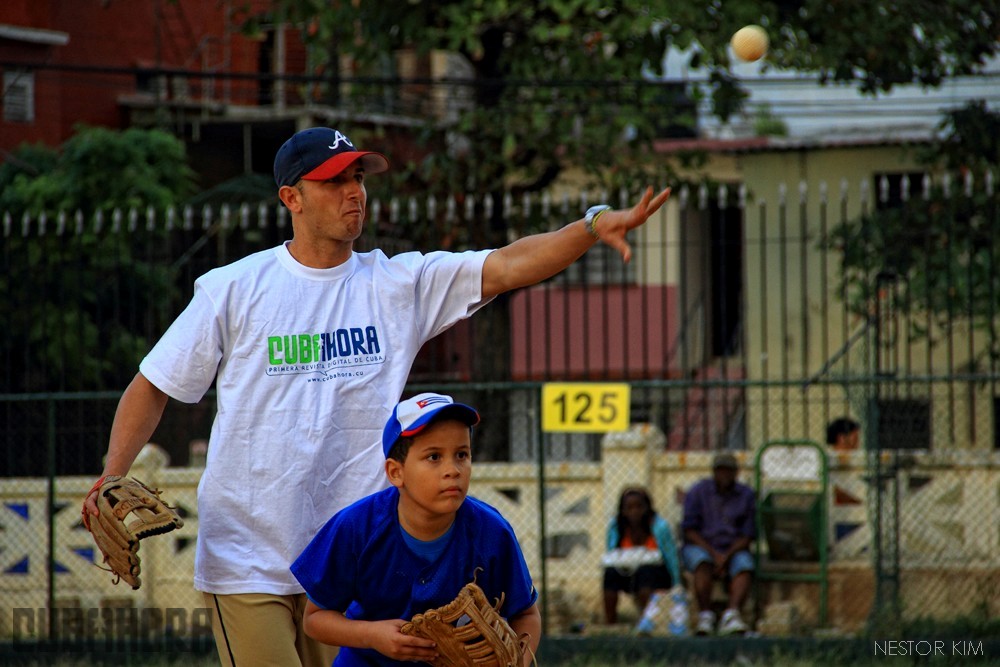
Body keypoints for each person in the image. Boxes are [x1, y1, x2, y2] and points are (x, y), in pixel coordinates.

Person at [80, 125, 671, 666]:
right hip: (249, 556)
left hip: (348, 564)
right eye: (334, 181)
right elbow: (153, 384)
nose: (353, 191)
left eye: (357, 177)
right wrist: (112, 475)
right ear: (292, 198)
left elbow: (509, 265)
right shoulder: (234, 289)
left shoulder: (397, 284)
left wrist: (591, 226)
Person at [290, 392, 541, 665]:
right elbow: (314, 619)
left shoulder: (491, 532)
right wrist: (371, 635)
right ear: (396, 472)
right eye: (434, 457)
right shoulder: (356, 527)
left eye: (462, 454)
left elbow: (526, 615)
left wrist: (517, 662)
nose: (453, 470)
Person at [680, 452, 756, 636]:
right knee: (701, 563)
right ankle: (705, 615)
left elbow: (748, 535)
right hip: (701, 545)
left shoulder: (746, 495)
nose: (724, 476)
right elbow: (689, 530)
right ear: (713, 472)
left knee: (745, 565)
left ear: (736, 473)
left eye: (729, 471)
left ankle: (732, 614)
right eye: (720, 471)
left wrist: (726, 556)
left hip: (733, 548)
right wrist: (714, 555)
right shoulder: (698, 492)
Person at [601, 487, 681, 625]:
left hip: (656, 573)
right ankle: (610, 623)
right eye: (629, 508)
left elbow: (671, 556)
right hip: (627, 571)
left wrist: (677, 583)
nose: (634, 512)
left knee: (645, 572)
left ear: (647, 508)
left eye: (639, 507)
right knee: (610, 574)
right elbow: (612, 554)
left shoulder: (659, 526)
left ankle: (647, 622)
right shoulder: (616, 527)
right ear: (623, 510)